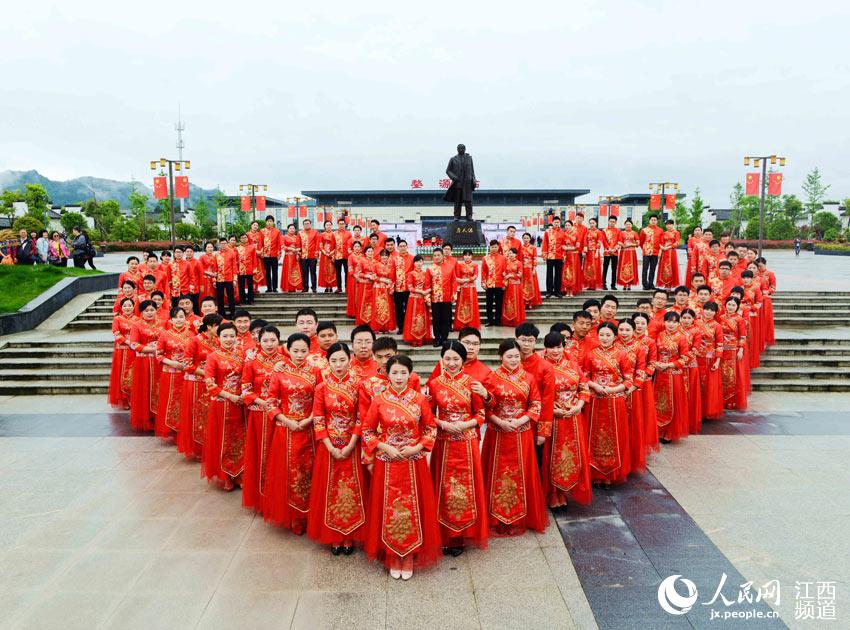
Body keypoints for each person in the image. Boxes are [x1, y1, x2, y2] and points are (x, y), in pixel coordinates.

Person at [362, 354, 441, 579]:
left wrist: (416, 449)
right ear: (387, 374)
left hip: (412, 463)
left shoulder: (419, 399)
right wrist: (384, 447)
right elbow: (367, 431)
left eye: (403, 372)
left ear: (410, 374)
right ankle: (392, 554)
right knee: (389, 508)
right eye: (394, 372)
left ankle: (409, 555)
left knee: (412, 507)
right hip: (387, 463)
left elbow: (430, 429)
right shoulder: (379, 400)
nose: (398, 377)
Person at [481, 340, 548, 536]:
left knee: (522, 471)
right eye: (509, 356)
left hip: (521, 432)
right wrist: (499, 422)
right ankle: (496, 516)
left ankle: (520, 516)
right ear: (500, 356)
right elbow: (485, 407)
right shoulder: (491, 378)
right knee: (497, 472)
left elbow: (535, 404)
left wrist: (520, 421)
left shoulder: (528, 378)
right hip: (498, 433)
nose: (513, 360)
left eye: (516, 356)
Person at [427, 342, 488, 556]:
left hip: (467, 442)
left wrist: (465, 425)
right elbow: (427, 414)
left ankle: (461, 534)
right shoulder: (434, 384)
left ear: (463, 360)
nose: (451, 363)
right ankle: (443, 533)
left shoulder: (472, 383)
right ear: (442, 359)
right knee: (443, 487)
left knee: (465, 487)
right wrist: (442, 424)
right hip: (443, 442)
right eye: (448, 359)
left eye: (456, 359)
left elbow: (481, 414)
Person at [307, 342, 367, 554]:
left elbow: (362, 417)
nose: (339, 364)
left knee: (352, 489)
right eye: (334, 360)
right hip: (329, 446)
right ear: (327, 362)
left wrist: (351, 443)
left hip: (352, 444)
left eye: (342, 360)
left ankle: (349, 535)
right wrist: (329, 445)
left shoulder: (359, 385)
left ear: (349, 359)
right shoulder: (321, 388)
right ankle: (333, 535)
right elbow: (319, 418)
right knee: (330, 489)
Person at [264, 333, 323, 533]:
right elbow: (271, 402)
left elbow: (320, 400)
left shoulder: (315, 371)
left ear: (309, 351)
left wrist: (308, 420)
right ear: (287, 350)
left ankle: (309, 514)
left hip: (309, 429)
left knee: (309, 471)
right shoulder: (279, 372)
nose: (299, 354)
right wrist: (287, 421)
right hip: (286, 429)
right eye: (295, 350)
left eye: (303, 351)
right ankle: (293, 517)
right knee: (288, 473)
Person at [540, 331, 592, 508]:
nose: (555, 351)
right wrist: (553, 410)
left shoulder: (572, 365)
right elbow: (537, 396)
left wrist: (578, 407)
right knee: (553, 456)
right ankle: (554, 495)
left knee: (571, 455)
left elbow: (584, 388)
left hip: (574, 418)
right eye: (551, 347)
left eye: (559, 346)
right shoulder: (541, 367)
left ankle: (567, 491)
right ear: (545, 348)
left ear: (564, 346)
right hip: (553, 419)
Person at [582, 322, 634, 485]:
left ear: (614, 337)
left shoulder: (622, 355)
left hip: (614, 401)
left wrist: (612, 390)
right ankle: (594, 472)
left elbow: (629, 380)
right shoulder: (590, 355)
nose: (604, 338)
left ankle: (611, 474)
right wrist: (595, 386)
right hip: (595, 401)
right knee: (593, 436)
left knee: (615, 436)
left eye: (608, 335)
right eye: (602, 335)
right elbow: (584, 377)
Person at [240, 325, 284, 515]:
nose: (269, 344)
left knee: (278, 456)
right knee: (259, 454)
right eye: (265, 340)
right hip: (259, 415)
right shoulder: (251, 363)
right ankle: (261, 499)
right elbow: (245, 390)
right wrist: (264, 402)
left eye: (273, 340)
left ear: (279, 341)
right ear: (259, 342)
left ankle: (277, 499)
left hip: (280, 416)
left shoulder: (285, 361)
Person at [202, 322, 246, 491]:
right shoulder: (213, 357)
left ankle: (239, 474)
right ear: (218, 338)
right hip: (221, 405)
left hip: (239, 404)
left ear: (237, 337)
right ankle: (225, 476)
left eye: (231, 336)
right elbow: (210, 385)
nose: (228, 339)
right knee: (222, 439)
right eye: (225, 336)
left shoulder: (241, 355)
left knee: (239, 439)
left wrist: (242, 395)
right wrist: (231, 396)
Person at [177, 313, 222, 461]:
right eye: (218, 326)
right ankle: (197, 448)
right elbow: (187, 364)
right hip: (196, 383)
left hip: (213, 384)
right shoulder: (194, 341)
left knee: (210, 416)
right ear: (209, 326)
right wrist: (207, 373)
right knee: (197, 415)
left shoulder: (218, 341)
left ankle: (211, 447)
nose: (220, 328)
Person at [154, 306, 192, 440]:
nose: (179, 320)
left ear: (186, 318)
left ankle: (183, 429)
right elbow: (158, 355)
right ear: (171, 319)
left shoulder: (192, 335)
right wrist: (172, 363)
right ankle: (171, 428)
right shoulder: (164, 334)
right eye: (176, 317)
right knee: (170, 401)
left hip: (187, 374)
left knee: (184, 401)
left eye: (181, 316)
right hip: (170, 374)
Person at [653, 311, 690, 443]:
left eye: (674, 321)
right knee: (658, 402)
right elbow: (654, 353)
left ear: (678, 323)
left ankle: (668, 433)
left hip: (674, 376)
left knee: (673, 403)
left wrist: (669, 365)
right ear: (664, 322)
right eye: (669, 321)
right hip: (659, 374)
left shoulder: (681, 338)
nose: (671, 324)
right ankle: (657, 431)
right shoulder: (659, 336)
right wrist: (656, 363)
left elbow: (685, 358)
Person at [128, 300, 162, 432]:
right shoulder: (137, 326)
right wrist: (151, 349)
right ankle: (146, 418)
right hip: (143, 362)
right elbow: (133, 344)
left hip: (158, 362)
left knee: (158, 389)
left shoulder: (162, 324)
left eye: (152, 310)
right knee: (145, 388)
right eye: (146, 311)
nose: (149, 313)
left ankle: (158, 417)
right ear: (141, 312)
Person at [695, 301, 724, 421]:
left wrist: (717, 360)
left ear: (715, 312)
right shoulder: (695, 323)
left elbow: (720, 344)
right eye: (707, 309)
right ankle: (696, 411)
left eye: (712, 310)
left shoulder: (717, 326)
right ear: (702, 309)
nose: (709, 312)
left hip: (710, 359)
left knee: (708, 386)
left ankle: (706, 411)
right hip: (695, 357)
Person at [719, 296, 748, 410]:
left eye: (733, 305)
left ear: (737, 307)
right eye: (729, 304)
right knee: (721, 375)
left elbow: (742, 336)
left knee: (732, 376)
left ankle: (731, 400)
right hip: (721, 350)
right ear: (725, 305)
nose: (730, 307)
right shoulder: (720, 318)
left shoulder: (739, 320)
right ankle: (721, 399)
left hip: (733, 350)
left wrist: (741, 349)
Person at [108, 297, 137, 410]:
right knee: (122, 374)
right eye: (125, 306)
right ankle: (124, 399)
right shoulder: (117, 319)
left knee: (134, 374)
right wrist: (127, 341)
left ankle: (134, 399)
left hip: (135, 351)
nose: (127, 308)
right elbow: (116, 333)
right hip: (122, 350)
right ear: (121, 307)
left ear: (134, 306)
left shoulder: (137, 319)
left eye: (130, 305)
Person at [678, 308, 704, 434]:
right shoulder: (676, 329)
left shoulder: (697, 331)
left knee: (691, 394)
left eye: (689, 318)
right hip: (677, 367)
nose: (686, 320)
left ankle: (689, 422)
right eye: (684, 318)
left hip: (690, 366)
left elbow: (696, 349)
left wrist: (682, 359)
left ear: (693, 319)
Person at [403, 255, 433, 347]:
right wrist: (422, 291)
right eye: (417, 262)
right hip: (413, 299)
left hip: (422, 299)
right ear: (414, 263)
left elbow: (429, 285)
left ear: (422, 262)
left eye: (420, 261)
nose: (419, 263)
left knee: (422, 318)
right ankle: (413, 339)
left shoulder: (425, 273)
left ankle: (421, 339)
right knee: (413, 319)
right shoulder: (410, 274)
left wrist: (427, 292)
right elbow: (410, 287)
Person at [429, 248, 456, 347]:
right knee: (436, 319)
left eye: (438, 255)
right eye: (434, 255)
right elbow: (427, 285)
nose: (436, 257)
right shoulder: (430, 269)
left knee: (446, 319)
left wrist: (454, 295)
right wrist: (428, 298)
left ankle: (444, 339)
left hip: (447, 298)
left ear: (442, 256)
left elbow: (454, 282)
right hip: (435, 298)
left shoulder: (450, 267)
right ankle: (437, 338)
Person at [444, 143, 476, 220]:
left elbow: (472, 170)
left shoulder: (469, 158)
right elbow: (448, 171)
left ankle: (469, 216)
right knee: (457, 201)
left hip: (467, 183)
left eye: (462, 148)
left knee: (468, 201)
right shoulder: (453, 159)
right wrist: (454, 177)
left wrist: (474, 179)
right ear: (457, 149)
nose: (461, 150)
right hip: (458, 183)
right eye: (459, 148)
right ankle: (456, 216)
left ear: (465, 149)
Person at [453, 249, 481, 330]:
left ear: (471, 256)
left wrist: (465, 280)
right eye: (465, 255)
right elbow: (456, 276)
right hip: (462, 289)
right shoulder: (459, 265)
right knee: (462, 305)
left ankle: (471, 324)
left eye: (469, 255)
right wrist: (459, 281)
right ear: (463, 256)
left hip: (471, 288)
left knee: (471, 305)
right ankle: (461, 324)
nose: (467, 257)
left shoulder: (475, 265)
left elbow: (475, 276)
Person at [481, 240, 506, 327]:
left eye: (495, 247)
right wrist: (483, 282)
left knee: (499, 303)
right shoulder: (485, 258)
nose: (494, 249)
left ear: (498, 247)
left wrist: (504, 283)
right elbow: (483, 271)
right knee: (489, 303)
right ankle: (489, 320)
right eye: (492, 247)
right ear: (490, 247)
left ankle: (498, 320)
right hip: (489, 284)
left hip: (500, 284)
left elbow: (505, 271)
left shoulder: (503, 258)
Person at [372, 249, 397, 333]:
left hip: (387, 289)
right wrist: (383, 280)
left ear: (388, 256)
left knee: (387, 308)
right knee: (378, 307)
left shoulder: (391, 267)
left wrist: (391, 287)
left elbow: (393, 278)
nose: (384, 257)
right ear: (380, 256)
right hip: (378, 289)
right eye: (382, 255)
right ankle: (377, 327)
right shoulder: (376, 265)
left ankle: (386, 328)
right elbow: (374, 277)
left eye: (386, 255)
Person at [391, 239, 414, 333]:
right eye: (400, 246)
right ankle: (401, 327)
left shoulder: (412, 258)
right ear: (398, 247)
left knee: (409, 308)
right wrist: (392, 286)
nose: (402, 248)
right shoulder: (394, 259)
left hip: (409, 288)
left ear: (407, 246)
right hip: (398, 288)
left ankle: (409, 327)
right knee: (399, 308)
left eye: (404, 246)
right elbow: (392, 273)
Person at [500, 248, 525, 328]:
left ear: (516, 254)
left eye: (512, 253)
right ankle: (508, 320)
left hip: (516, 286)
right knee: (508, 302)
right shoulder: (506, 262)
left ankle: (516, 320)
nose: (511, 255)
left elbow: (520, 275)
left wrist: (511, 275)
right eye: (509, 253)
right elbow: (503, 273)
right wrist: (504, 275)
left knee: (515, 302)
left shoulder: (519, 263)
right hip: (508, 286)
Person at [213, 239, 237, 318]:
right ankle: (221, 313)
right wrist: (214, 280)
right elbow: (215, 268)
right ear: (219, 244)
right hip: (219, 279)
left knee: (230, 296)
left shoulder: (232, 253)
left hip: (229, 278)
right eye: (222, 243)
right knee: (220, 297)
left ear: (227, 244)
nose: (223, 245)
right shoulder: (216, 254)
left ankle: (233, 313)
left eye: (224, 243)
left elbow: (234, 267)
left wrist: (234, 279)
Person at [639, 215, 663, 290]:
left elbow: (661, 242)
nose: (653, 221)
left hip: (655, 252)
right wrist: (644, 249)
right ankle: (645, 284)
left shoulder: (660, 230)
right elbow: (641, 241)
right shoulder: (644, 230)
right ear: (649, 220)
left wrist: (660, 251)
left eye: (655, 220)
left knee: (653, 269)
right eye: (652, 220)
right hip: (646, 252)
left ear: (657, 221)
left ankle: (651, 284)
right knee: (645, 269)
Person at [656, 220, 681, 289]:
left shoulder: (676, 233)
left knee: (671, 267)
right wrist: (661, 249)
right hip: (664, 252)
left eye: (670, 224)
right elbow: (660, 242)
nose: (668, 226)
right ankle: (665, 283)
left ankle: (670, 284)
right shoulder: (664, 233)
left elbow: (677, 243)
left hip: (671, 252)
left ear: (673, 225)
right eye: (667, 224)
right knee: (663, 267)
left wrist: (668, 247)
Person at [236, 233, 259, 305]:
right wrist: (236, 270)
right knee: (241, 286)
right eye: (242, 237)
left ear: (247, 238)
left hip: (249, 269)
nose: (244, 239)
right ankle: (242, 300)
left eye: (245, 237)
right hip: (240, 270)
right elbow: (236, 260)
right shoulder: (237, 248)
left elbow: (254, 259)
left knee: (250, 285)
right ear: (240, 239)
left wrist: (255, 269)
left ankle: (250, 300)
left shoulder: (252, 247)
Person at [520, 232, 542, 308]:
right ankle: (524, 302)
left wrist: (534, 269)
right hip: (522, 269)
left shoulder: (533, 248)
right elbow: (519, 260)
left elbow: (535, 259)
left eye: (527, 238)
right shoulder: (520, 248)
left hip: (530, 269)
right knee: (523, 286)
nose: (526, 239)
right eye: (524, 238)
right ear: (522, 239)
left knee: (531, 286)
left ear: (530, 239)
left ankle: (530, 302)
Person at [615, 219, 639, 290]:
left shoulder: (634, 233)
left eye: (629, 224)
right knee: (623, 267)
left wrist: (631, 244)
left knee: (631, 267)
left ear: (631, 225)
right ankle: (624, 284)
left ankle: (629, 284)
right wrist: (623, 245)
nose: (628, 225)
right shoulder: (621, 233)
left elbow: (638, 243)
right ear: (624, 225)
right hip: (624, 252)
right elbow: (619, 242)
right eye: (626, 224)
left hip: (632, 253)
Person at [581, 217, 604, 290]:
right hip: (588, 252)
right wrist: (584, 251)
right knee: (588, 268)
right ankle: (589, 284)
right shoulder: (587, 231)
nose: (591, 224)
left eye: (593, 223)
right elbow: (584, 241)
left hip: (594, 252)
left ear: (596, 223)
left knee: (594, 267)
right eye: (590, 223)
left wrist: (597, 252)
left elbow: (599, 242)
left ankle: (593, 285)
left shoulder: (598, 232)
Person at [260, 215, 281, 292]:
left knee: (275, 271)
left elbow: (279, 243)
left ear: (273, 222)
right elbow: (260, 243)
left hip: (274, 254)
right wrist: (261, 253)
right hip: (265, 255)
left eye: (271, 221)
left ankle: (275, 287)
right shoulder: (262, 231)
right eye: (268, 221)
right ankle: (269, 288)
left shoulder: (277, 231)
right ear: (266, 222)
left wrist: (279, 253)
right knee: (267, 272)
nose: (269, 222)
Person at [299, 219, 319, 292]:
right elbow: (298, 244)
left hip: (312, 256)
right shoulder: (300, 233)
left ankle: (314, 287)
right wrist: (298, 254)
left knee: (313, 272)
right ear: (303, 225)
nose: (307, 225)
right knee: (304, 272)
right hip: (303, 256)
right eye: (305, 224)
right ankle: (305, 287)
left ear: (310, 224)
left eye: (308, 223)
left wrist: (317, 253)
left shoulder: (315, 232)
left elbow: (317, 243)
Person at [602, 216, 621, 290]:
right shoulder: (604, 230)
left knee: (614, 269)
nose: (612, 223)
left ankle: (613, 284)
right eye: (610, 221)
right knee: (605, 268)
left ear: (615, 222)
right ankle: (603, 284)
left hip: (615, 252)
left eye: (613, 221)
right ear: (608, 221)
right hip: (607, 252)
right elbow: (604, 241)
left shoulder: (618, 231)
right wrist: (609, 249)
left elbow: (619, 241)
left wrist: (614, 249)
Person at [318, 220, 337, 292]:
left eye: (330, 225)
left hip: (332, 254)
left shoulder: (335, 234)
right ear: (324, 226)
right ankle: (326, 286)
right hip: (324, 255)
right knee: (325, 270)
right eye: (327, 225)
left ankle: (331, 286)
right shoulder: (322, 235)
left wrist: (332, 252)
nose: (328, 226)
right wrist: (325, 252)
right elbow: (320, 245)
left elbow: (337, 244)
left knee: (332, 270)